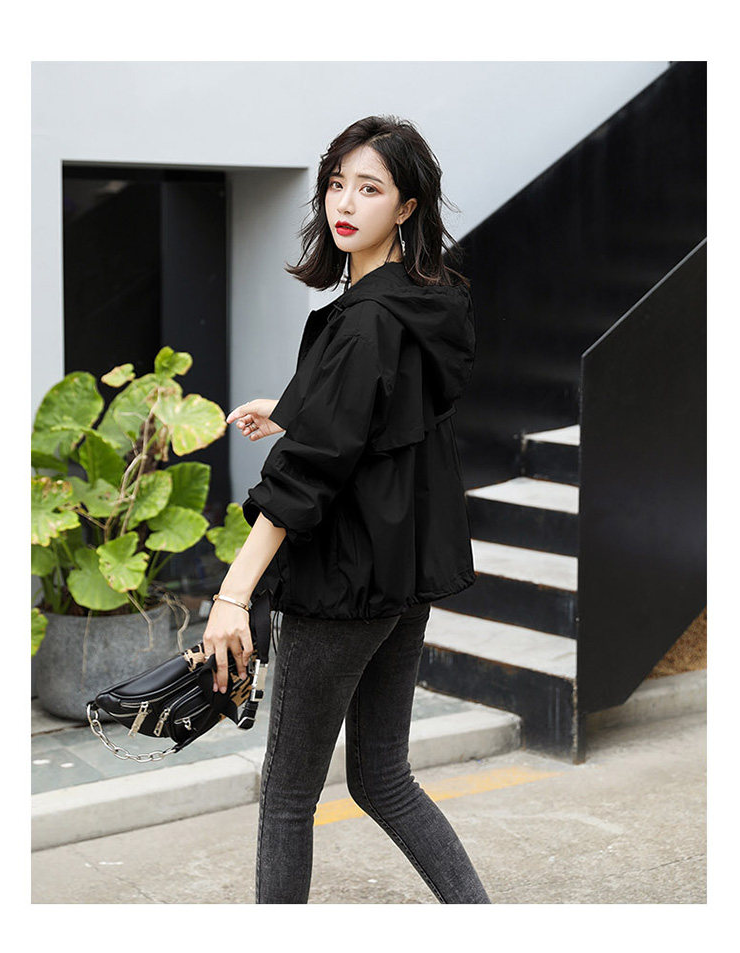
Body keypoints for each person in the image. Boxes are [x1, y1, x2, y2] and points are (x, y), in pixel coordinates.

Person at [204, 115, 490, 904]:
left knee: (287, 796)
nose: (346, 202)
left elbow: (308, 475)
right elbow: (382, 420)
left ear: (406, 206)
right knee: (382, 776)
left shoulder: (364, 320)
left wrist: (233, 594)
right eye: (337, 183)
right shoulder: (422, 303)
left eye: (370, 188)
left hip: (342, 582)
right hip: (399, 579)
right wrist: (297, 407)